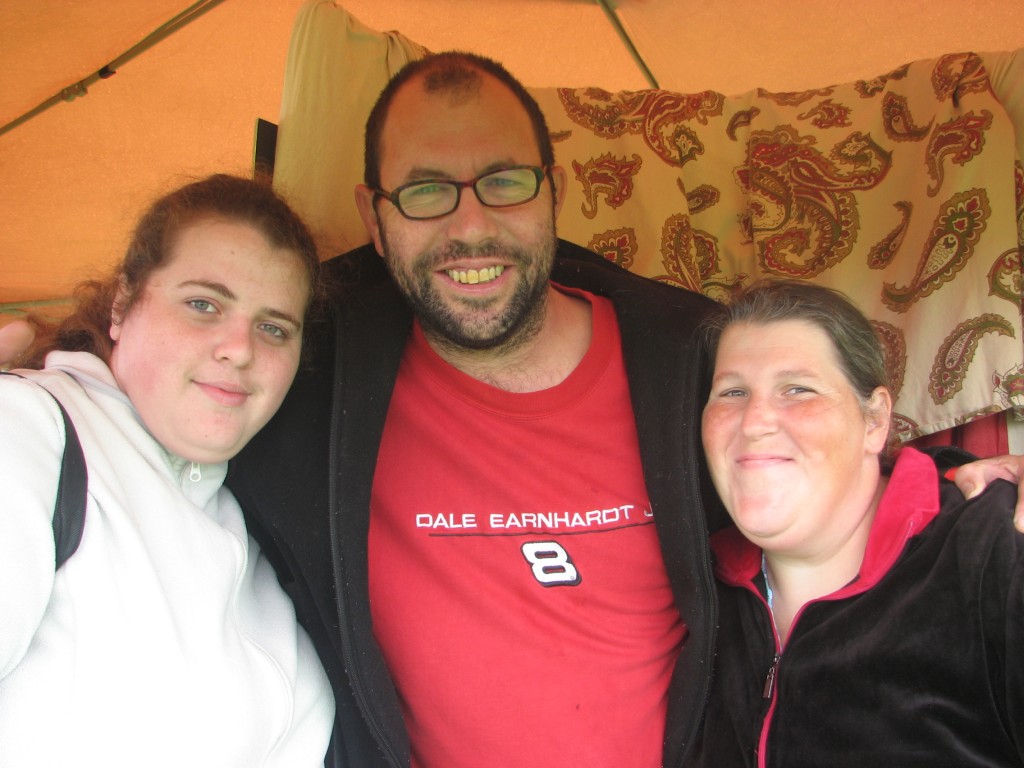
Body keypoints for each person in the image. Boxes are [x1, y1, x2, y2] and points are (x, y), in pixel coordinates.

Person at [227, 52, 1022, 768]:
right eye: (426, 190)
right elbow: (176, 378)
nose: (471, 226)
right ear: (374, 216)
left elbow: (797, 454)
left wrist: (957, 491)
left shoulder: (686, 359)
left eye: (504, 181)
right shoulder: (308, 379)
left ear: (555, 193)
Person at [0, 174, 335, 767]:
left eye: (274, 326)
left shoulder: (249, 519)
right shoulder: (29, 431)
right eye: (203, 304)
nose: (240, 348)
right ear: (124, 304)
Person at [687, 279, 1023, 766]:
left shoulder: (993, 549)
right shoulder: (697, 589)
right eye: (732, 391)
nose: (754, 421)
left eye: (797, 389)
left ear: (875, 421)